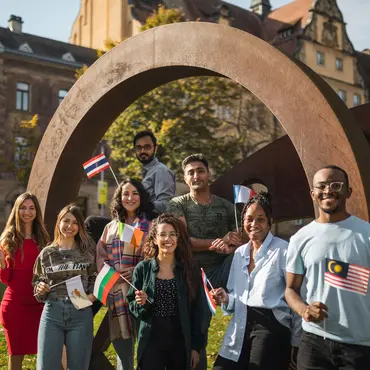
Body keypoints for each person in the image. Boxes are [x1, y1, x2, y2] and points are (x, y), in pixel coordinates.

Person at [285, 165, 370, 370]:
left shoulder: (366, 235)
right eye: (321, 186)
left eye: (336, 185)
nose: (328, 190)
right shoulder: (300, 238)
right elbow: (290, 290)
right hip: (314, 342)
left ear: (348, 191)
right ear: (313, 194)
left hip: (359, 345)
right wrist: (304, 310)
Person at [211, 192, 301, 370]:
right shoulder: (239, 253)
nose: (254, 224)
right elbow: (237, 294)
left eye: (260, 219)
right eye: (249, 219)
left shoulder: (284, 251)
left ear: (270, 222)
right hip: (240, 324)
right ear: (243, 221)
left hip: (271, 326)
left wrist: (296, 343)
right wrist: (226, 298)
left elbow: (298, 295)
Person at [126, 214, 206, 370]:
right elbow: (133, 307)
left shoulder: (189, 271)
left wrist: (196, 347)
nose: (167, 239)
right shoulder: (143, 269)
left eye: (172, 234)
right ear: (155, 239)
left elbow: (198, 311)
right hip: (151, 339)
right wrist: (141, 303)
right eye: (162, 234)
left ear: (178, 238)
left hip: (180, 341)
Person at [96, 179, 155, 370]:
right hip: (118, 294)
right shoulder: (111, 227)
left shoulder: (152, 225)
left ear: (142, 196)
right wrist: (111, 272)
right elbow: (101, 256)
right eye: (125, 194)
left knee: (148, 343)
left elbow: (159, 255)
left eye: (134, 193)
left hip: (144, 292)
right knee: (123, 346)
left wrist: (138, 270)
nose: (130, 198)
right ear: (119, 198)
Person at [33, 204, 97, 370]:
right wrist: (40, 289)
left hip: (80, 312)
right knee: (46, 366)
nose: (70, 226)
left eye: (75, 222)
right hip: (52, 312)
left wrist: (92, 295)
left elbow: (94, 279)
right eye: (66, 221)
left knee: (78, 366)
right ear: (58, 223)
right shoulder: (47, 254)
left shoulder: (87, 252)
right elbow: (37, 284)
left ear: (80, 226)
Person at [167, 153, 240, 289]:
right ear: (185, 178)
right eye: (191, 172)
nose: (196, 176)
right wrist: (218, 242)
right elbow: (182, 241)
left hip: (223, 270)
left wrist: (232, 246)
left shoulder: (226, 205)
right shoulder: (177, 204)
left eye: (200, 171)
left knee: (243, 255)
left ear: (208, 174)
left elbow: (244, 235)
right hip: (189, 273)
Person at [0, 192, 49, 370]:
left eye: (31, 208)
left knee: (49, 354)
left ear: (36, 212)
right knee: (16, 356)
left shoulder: (43, 239)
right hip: (15, 307)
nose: (27, 212)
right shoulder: (7, 240)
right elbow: (6, 279)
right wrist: (2, 262)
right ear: (16, 210)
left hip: (41, 305)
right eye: (23, 207)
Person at [134, 130, 176, 213]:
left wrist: (138, 204)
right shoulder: (147, 172)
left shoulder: (161, 171)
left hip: (156, 224)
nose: (142, 151)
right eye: (139, 147)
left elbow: (166, 205)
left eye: (147, 147)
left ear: (155, 148)